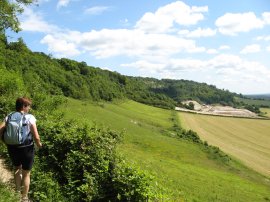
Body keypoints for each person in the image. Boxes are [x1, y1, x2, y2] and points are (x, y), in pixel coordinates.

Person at [0, 97, 42, 202]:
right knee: (26, 173)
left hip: (12, 147)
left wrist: (4, 141)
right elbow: (36, 136)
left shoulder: (9, 116)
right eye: (28, 106)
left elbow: (0, 130)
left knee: (17, 168)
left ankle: (17, 193)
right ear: (24, 106)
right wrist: (39, 145)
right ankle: (24, 198)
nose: (29, 109)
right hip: (27, 148)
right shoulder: (30, 117)